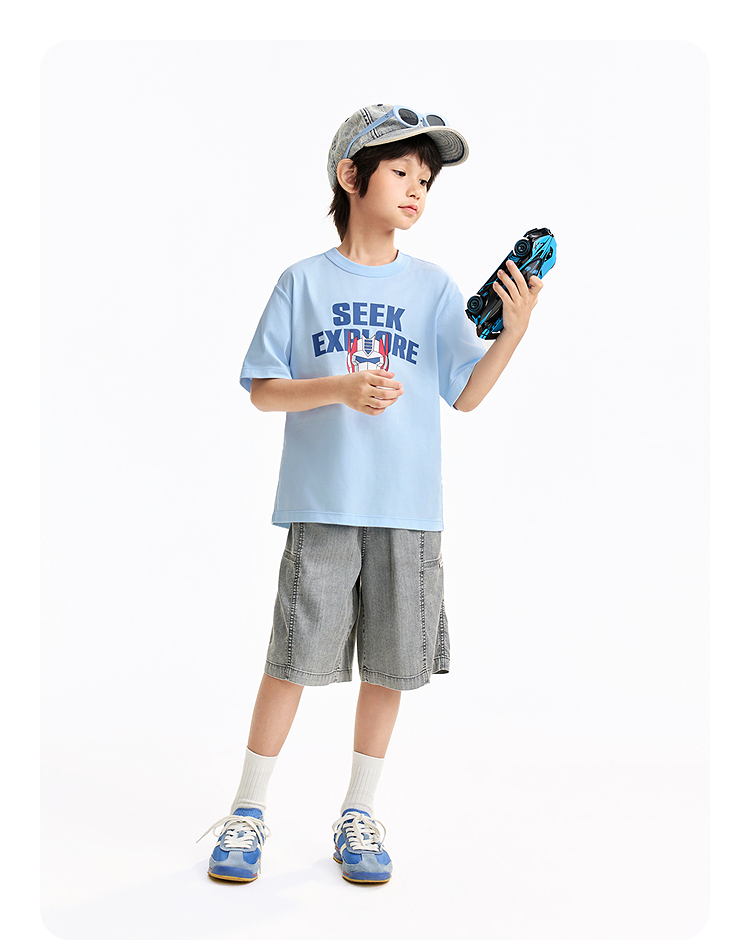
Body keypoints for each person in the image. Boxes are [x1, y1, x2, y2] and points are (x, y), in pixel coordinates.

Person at [198, 104, 544, 885]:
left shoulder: (434, 287)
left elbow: (465, 395)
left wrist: (514, 333)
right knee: (293, 657)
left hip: (408, 511)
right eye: (401, 172)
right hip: (323, 504)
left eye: (427, 180)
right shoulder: (303, 281)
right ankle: (248, 809)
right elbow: (263, 390)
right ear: (350, 175)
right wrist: (341, 389)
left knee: (390, 666)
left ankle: (358, 812)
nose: (417, 189)